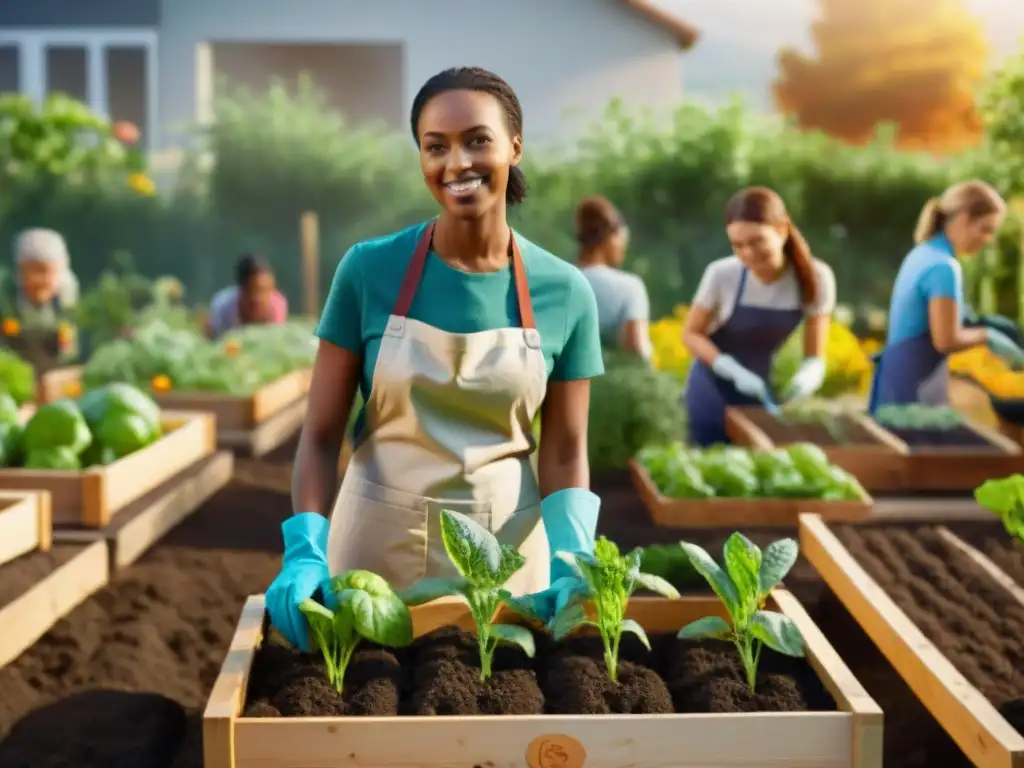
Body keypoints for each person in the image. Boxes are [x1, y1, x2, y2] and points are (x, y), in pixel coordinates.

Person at [266, 67, 605, 652]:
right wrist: (305, 551)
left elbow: (566, 446)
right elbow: (319, 435)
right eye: (435, 146)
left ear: (514, 147)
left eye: (478, 139)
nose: (457, 163)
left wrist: (574, 558)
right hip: (374, 558)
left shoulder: (565, 290)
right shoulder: (369, 271)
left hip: (508, 563)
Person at [682, 187, 836, 447]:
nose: (747, 253)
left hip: (757, 389)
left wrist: (808, 376)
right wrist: (728, 368)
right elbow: (690, 334)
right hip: (710, 390)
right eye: (737, 245)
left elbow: (815, 355)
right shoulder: (722, 274)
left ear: (782, 229)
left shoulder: (816, 278)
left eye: (756, 241)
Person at [869, 180, 1023, 411]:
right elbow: (946, 340)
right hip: (912, 393)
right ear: (962, 219)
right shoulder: (944, 267)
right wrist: (988, 336)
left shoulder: (923, 252)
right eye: (985, 229)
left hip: (895, 384)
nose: (988, 239)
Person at [575, 196, 652, 362]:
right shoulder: (630, 287)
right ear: (611, 237)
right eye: (622, 241)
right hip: (612, 384)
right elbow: (637, 349)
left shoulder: (561, 281)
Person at [3, 228, 79, 367]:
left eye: (45, 272)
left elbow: (71, 353)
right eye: (32, 271)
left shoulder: (65, 303)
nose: (39, 280)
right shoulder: (8, 299)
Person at [206, 254, 288, 339]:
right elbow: (214, 343)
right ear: (242, 289)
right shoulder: (223, 308)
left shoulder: (277, 306)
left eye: (266, 290)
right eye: (254, 290)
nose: (260, 298)